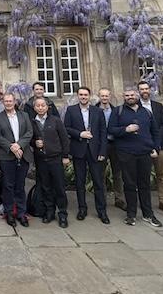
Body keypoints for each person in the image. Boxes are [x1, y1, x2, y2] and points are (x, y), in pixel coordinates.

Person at [108, 87, 162, 228]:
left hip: (144, 153)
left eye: (132, 95)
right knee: (130, 184)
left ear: (137, 95)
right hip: (126, 153)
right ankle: (131, 214)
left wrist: (155, 148)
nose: (130, 97)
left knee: (144, 184)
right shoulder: (117, 111)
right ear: (123, 96)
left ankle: (148, 213)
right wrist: (125, 129)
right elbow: (111, 130)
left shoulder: (147, 112)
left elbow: (155, 132)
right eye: (127, 95)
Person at [64, 87, 109, 224]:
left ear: (89, 96)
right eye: (81, 95)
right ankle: (82, 209)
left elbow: (103, 133)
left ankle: (102, 211)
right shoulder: (71, 110)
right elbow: (66, 128)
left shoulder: (98, 111)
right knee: (80, 181)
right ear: (77, 96)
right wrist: (80, 134)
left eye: (85, 95)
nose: (83, 97)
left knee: (98, 182)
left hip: (95, 151)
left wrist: (102, 152)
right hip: (79, 150)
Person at [0, 93, 33, 227]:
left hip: (23, 154)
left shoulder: (24, 116)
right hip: (7, 156)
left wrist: (19, 145)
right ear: (3, 103)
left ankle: (21, 213)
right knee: (8, 186)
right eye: (6, 101)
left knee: (20, 186)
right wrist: (11, 147)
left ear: (14, 101)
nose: (8, 103)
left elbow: (29, 132)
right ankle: (9, 212)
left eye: (10, 101)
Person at [31, 96, 70, 228]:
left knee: (59, 187)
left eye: (43, 105)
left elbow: (64, 139)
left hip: (55, 158)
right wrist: (34, 143)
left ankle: (63, 213)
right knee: (46, 187)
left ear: (47, 107)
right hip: (41, 160)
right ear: (34, 107)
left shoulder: (55, 121)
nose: (40, 108)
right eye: (38, 106)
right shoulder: (33, 122)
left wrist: (65, 156)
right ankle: (50, 211)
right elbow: (30, 140)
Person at [138, 80, 163, 216]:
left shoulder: (158, 106)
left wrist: (155, 140)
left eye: (146, 88)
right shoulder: (135, 106)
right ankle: (144, 202)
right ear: (138, 92)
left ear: (150, 90)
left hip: (160, 146)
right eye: (141, 89)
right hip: (143, 147)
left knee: (161, 175)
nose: (144, 91)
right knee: (142, 176)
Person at [98, 88, 125, 211]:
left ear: (110, 96)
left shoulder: (116, 110)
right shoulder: (94, 110)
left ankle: (119, 199)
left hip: (114, 144)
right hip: (100, 145)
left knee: (117, 173)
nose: (104, 98)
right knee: (101, 173)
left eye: (106, 96)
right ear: (99, 97)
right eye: (102, 96)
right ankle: (102, 199)